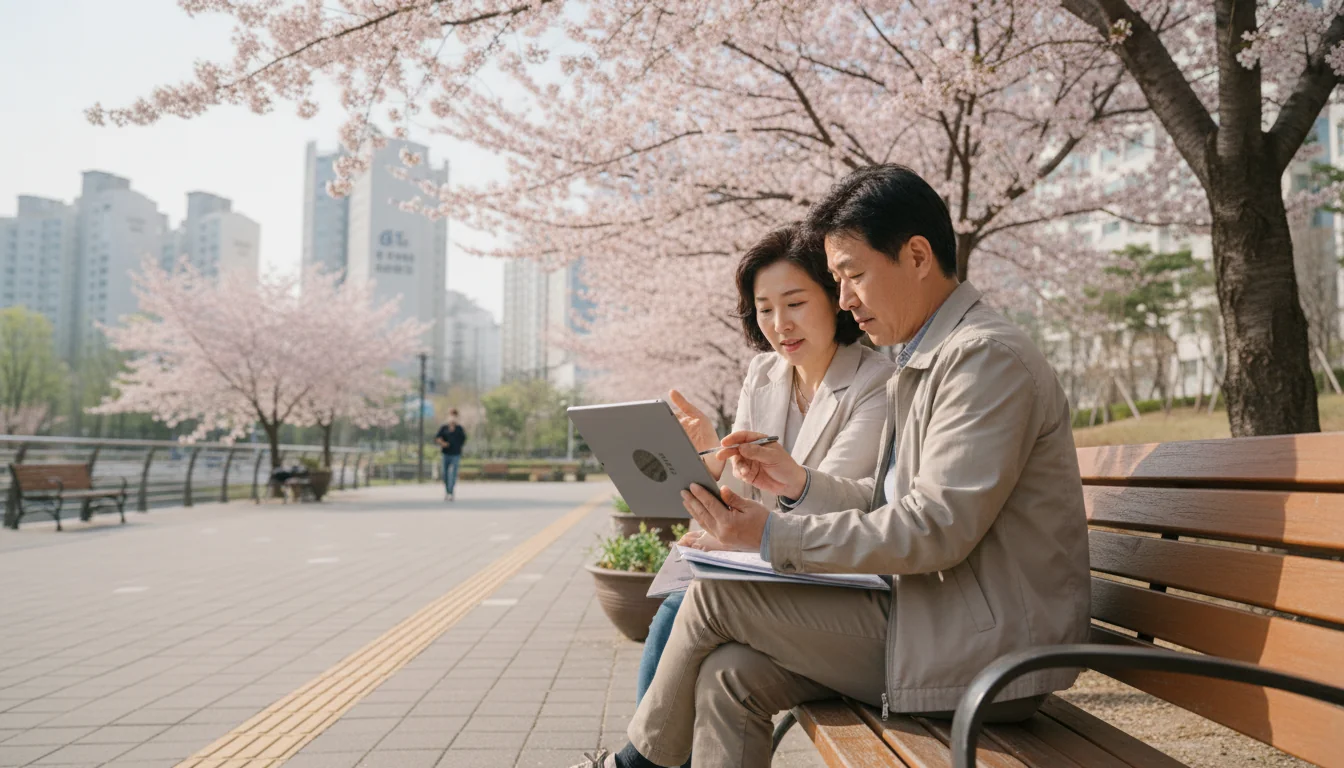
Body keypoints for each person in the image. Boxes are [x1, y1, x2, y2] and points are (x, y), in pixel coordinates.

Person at [572, 165, 1090, 768]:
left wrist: (769, 534)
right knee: (727, 673)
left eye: (852, 276)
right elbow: (888, 506)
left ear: (917, 255)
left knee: (714, 598)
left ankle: (631, 767)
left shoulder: (982, 360)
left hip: (985, 653)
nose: (843, 298)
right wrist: (778, 499)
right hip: (927, 618)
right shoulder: (925, 360)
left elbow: (936, 527)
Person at [637, 224, 897, 742]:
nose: (780, 324)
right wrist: (710, 466)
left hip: (838, 584)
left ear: (833, 297)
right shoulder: (764, 374)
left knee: (679, 609)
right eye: (764, 309)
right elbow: (744, 502)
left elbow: (849, 503)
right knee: (710, 649)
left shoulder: (875, 382)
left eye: (795, 303)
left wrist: (790, 486)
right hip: (769, 573)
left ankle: (634, 760)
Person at [434, 409, 467, 501]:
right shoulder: (444, 428)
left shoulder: (459, 429)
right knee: (445, 474)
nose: (452, 418)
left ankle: (451, 493)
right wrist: (442, 443)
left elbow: (463, 440)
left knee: (452, 474)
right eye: (451, 415)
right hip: (446, 454)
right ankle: (447, 491)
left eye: (455, 416)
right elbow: (437, 438)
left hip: (456, 454)